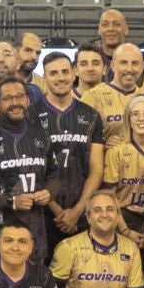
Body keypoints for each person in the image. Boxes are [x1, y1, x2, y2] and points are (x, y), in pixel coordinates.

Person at [0, 77, 56, 262]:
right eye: (7, 98)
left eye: (20, 96)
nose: (15, 103)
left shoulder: (41, 133)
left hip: (35, 237)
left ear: (28, 100)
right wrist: (11, 201)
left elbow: (55, 175)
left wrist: (49, 192)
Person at [33, 51, 105, 243]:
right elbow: (31, 168)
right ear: (44, 77)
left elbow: (96, 169)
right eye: (53, 73)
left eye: (65, 71)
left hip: (82, 213)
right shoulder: (30, 116)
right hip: (42, 215)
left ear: (74, 73)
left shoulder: (91, 116)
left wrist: (77, 210)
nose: (60, 78)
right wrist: (58, 211)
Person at [100, 95, 144, 262]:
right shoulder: (116, 151)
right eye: (135, 114)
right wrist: (125, 231)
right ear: (128, 119)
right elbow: (110, 197)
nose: (141, 118)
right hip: (122, 217)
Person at [82, 43, 144, 146]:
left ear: (142, 67)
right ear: (113, 65)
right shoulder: (92, 97)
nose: (129, 69)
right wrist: (102, 143)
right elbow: (79, 138)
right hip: (105, 161)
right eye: (123, 63)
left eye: (135, 63)